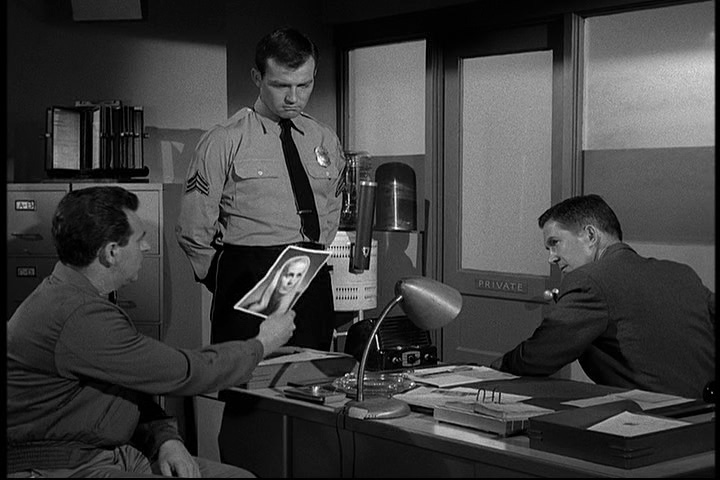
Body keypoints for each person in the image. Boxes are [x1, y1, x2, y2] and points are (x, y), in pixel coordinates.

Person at [6, 186, 297, 478]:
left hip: (113, 453)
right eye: (139, 239)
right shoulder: (77, 315)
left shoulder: (74, 297)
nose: (146, 247)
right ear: (111, 253)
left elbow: (126, 388)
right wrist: (262, 344)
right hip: (65, 467)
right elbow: (182, 372)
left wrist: (166, 439)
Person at [176, 27, 345, 351]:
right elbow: (193, 229)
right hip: (248, 275)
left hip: (309, 273)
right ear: (257, 77)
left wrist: (311, 254)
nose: (293, 97)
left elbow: (331, 210)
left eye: (304, 85)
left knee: (313, 375)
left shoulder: (323, 138)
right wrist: (225, 279)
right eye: (281, 85)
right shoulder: (225, 140)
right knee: (248, 377)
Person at [490, 194, 715, 399]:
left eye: (555, 243)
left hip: (654, 420)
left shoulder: (589, 280)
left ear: (590, 235)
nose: (552, 258)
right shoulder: (682, 273)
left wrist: (489, 371)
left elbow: (539, 355)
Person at [246, 255, 310, 316]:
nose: (292, 281)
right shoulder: (265, 295)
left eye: (298, 275)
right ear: (279, 275)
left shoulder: (300, 300)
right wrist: (261, 305)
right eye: (289, 275)